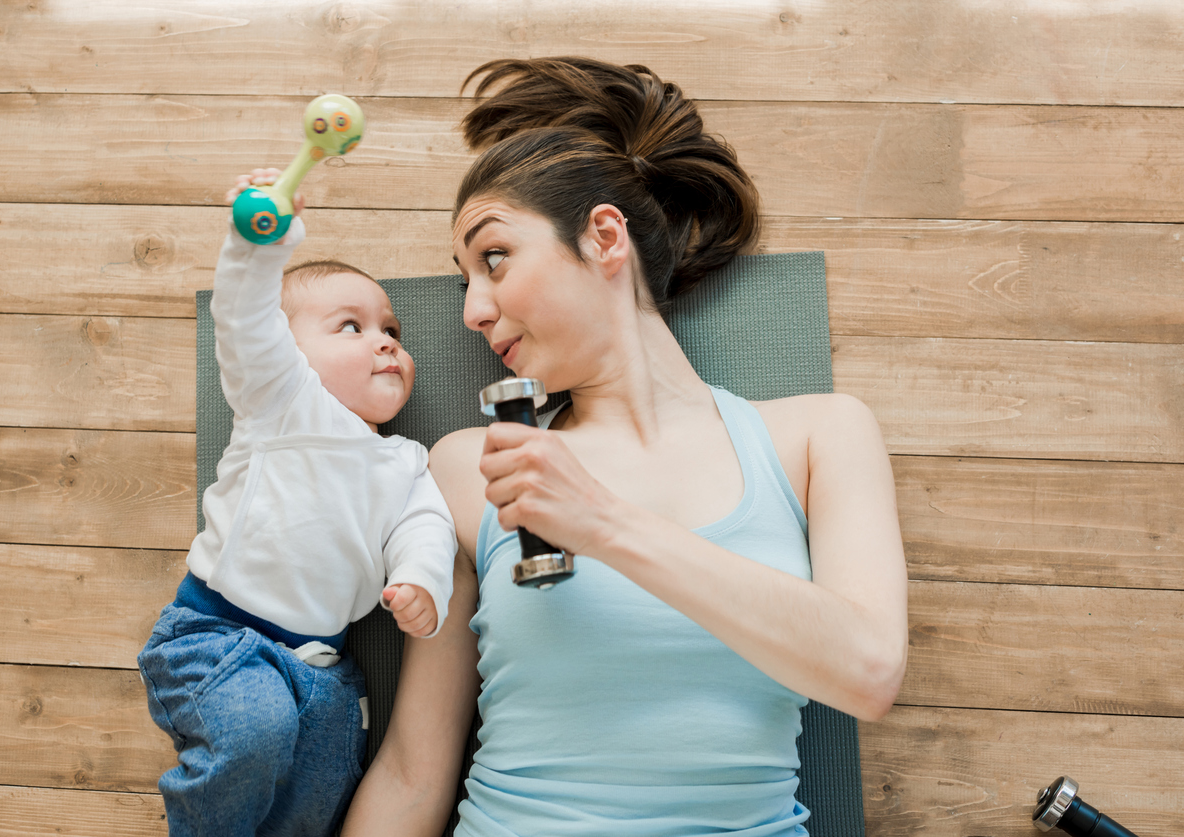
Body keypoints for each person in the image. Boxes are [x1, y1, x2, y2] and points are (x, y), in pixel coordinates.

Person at [341, 57, 908, 837]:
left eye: (494, 257)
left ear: (604, 237)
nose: (472, 308)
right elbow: (412, 773)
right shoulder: (469, 469)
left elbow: (870, 672)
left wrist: (604, 524)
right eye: (465, 276)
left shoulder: (819, 436)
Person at [137, 169, 457, 837]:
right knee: (253, 732)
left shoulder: (406, 462)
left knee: (323, 786)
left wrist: (421, 579)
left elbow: (426, 526)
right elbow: (245, 319)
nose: (386, 340)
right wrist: (260, 243)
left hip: (326, 669)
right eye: (352, 326)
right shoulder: (282, 399)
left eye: (391, 328)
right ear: (292, 352)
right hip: (223, 639)